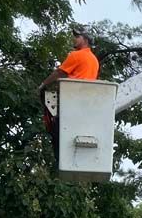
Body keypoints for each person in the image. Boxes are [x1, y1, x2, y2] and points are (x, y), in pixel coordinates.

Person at [38, 25, 100, 158]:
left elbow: (59, 72)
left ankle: (59, 157)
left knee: (56, 128)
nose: (74, 39)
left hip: (72, 98)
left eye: (78, 37)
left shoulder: (76, 55)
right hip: (85, 101)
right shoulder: (94, 60)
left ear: (86, 40)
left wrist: (43, 84)